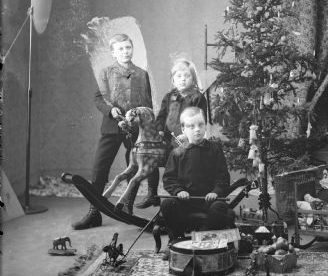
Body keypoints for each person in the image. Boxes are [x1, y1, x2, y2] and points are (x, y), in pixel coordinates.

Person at [72, 33, 159, 229]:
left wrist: (144, 124)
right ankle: (94, 212)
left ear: (132, 49)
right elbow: (99, 98)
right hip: (112, 127)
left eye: (128, 47)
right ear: (113, 52)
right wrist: (111, 110)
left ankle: (127, 206)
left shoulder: (141, 73)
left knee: (133, 166)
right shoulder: (105, 72)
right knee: (100, 167)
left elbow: (147, 103)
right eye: (120, 48)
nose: (125, 51)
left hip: (135, 129)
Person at [158, 106, 235, 260]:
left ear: (205, 125)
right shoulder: (177, 152)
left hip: (209, 201)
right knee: (167, 204)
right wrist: (178, 191)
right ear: (183, 128)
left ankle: (200, 237)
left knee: (221, 208)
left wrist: (216, 192)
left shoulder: (214, 149)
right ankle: (177, 240)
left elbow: (223, 177)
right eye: (191, 126)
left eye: (200, 125)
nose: (197, 130)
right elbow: (169, 178)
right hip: (186, 201)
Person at [135, 57, 207, 210]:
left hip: (186, 142)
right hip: (167, 140)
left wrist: (187, 135)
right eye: (178, 76)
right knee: (152, 157)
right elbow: (161, 116)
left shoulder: (197, 98)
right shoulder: (169, 96)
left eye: (186, 76)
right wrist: (159, 130)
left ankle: (180, 195)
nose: (182, 80)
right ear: (173, 79)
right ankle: (152, 195)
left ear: (193, 79)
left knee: (179, 166)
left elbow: (200, 120)